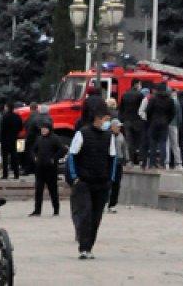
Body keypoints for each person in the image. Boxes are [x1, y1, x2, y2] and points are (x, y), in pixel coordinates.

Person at [66, 106, 117, 259]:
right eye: (106, 119)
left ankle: (89, 247)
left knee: (96, 217)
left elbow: (113, 159)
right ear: (97, 119)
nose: (107, 123)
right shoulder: (82, 134)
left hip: (101, 182)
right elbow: (72, 156)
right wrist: (75, 177)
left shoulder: (109, 137)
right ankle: (83, 246)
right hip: (84, 182)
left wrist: (110, 179)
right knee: (85, 214)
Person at [29, 120, 67, 216]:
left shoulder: (55, 138)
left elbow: (63, 149)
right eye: (42, 129)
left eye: (45, 128)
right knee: (38, 190)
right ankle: (37, 210)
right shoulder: (39, 138)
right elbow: (33, 149)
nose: (43, 130)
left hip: (51, 168)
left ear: (49, 129)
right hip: (40, 168)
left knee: (53, 190)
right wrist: (35, 157)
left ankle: (56, 209)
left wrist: (54, 158)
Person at [144, 83, 174, 169]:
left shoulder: (153, 99)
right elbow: (172, 113)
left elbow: (148, 111)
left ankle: (152, 163)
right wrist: (167, 121)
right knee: (163, 143)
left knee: (153, 143)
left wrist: (150, 120)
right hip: (164, 123)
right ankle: (162, 163)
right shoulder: (170, 100)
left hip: (154, 122)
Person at [118, 81, 145, 166]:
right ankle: (140, 159)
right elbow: (143, 108)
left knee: (130, 141)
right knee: (140, 141)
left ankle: (130, 160)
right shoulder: (140, 95)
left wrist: (122, 120)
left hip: (127, 121)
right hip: (138, 121)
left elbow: (121, 109)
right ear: (136, 84)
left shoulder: (125, 95)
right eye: (140, 84)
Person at [0, 103, 22, 180]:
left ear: (7, 108)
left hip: (5, 140)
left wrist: (1, 139)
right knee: (14, 156)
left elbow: (2, 129)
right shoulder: (17, 116)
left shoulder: (5, 117)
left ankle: (5, 174)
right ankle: (16, 174)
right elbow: (20, 127)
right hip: (14, 139)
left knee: (5, 157)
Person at [108, 120, 128, 212]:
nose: (119, 128)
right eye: (117, 126)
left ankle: (112, 204)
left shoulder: (121, 136)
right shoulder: (107, 136)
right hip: (109, 161)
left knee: (116, 184)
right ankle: (104, 202)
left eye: (120, 127)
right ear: (112, 127)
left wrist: (126, 159)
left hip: (118, 162)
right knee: (107, 184)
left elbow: (124, 148)